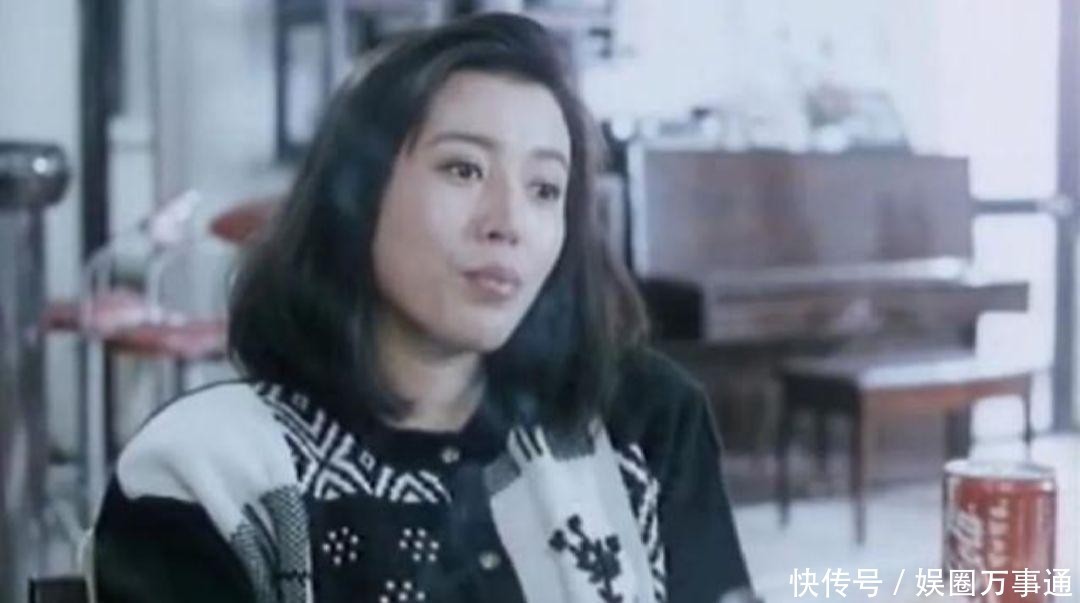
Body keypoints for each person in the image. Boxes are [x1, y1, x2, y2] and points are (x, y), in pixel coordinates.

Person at [91, 12, 754, 603]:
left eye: (545, 188)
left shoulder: (644, 419)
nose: (508, 222)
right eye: (464, 169)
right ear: (356, 194)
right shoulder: (204, 471)